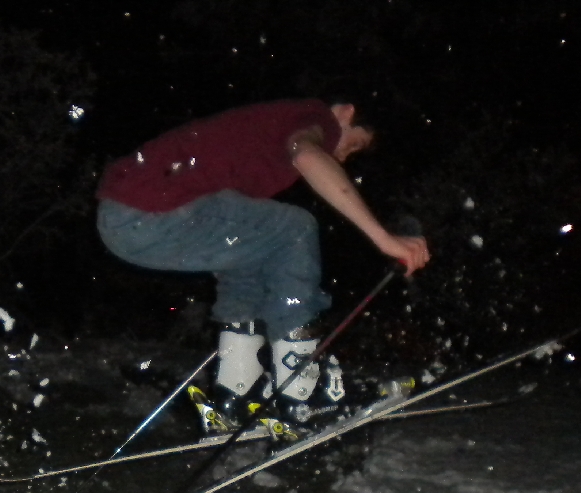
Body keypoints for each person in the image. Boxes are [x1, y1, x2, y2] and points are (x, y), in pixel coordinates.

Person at [96, 99, 430, 432]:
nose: (342, 157)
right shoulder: (315, 118)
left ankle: (236, 388)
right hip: (150, 210)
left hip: (124, 219)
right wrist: (383, 236)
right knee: (294, 228)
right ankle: (301, 390)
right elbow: (308, 155)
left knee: (251, 252)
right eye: (352, 144)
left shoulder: (263, 138)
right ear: (346, 113)